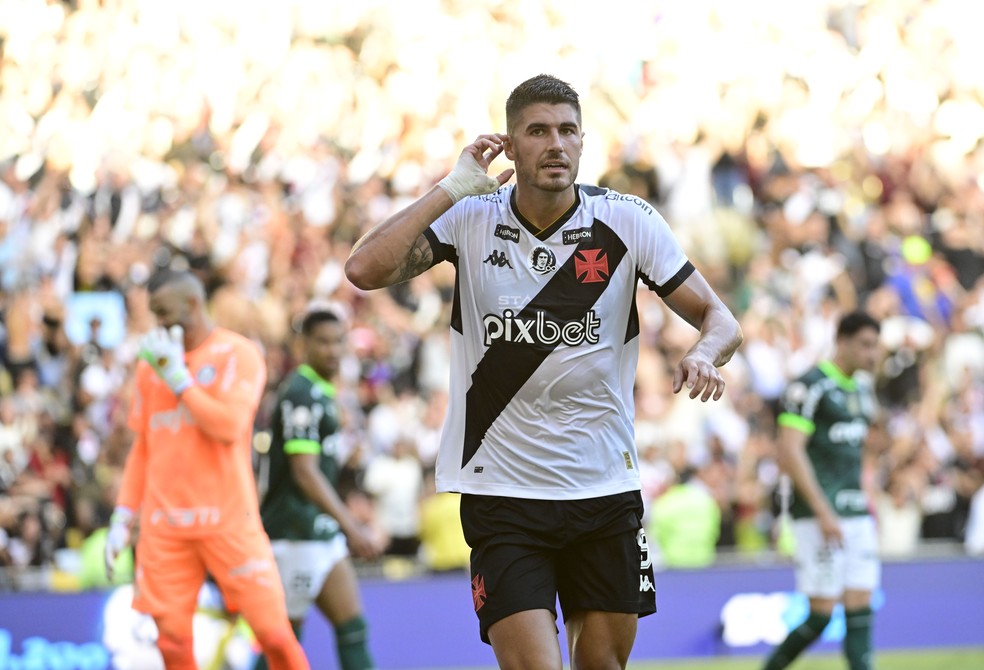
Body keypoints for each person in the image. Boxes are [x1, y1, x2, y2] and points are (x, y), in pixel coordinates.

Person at [344, 74, 742, 670]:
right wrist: (450, 188)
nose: (555, 144)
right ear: (510, 143)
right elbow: (364, 269)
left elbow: (720, 317)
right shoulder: (471, 218)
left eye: (567, 131)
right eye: (537, 131)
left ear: (583, 142)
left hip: (604, 486)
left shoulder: (626, 221)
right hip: (503, 493)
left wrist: (705, 352)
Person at [104, 269, 309, 670]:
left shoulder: (238, 354)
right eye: (154, 314)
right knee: (172, 643)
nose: (159, 324)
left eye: (164, 313)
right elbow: (142, 449)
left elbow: (228, 427)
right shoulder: (151, 367)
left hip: (229, 521)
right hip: (166, 528)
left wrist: (180, 380)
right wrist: (122, 516)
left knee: (274, 635)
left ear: (193, 305)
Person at [255, 305, 383, 670]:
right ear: (304, 346)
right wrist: (351, 526)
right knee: (283, 643)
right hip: (294, 532)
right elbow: (305, 472)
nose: (332, 350)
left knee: (352, 627)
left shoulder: (321, 391)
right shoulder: (301, 393)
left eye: (338, 341)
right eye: (322, 342)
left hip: (317, 531)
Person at [763, 310, 882, 670]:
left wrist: (868, 499)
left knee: (861, 602)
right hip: (819, 514)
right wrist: (824, 512)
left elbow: (857, 455)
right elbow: (790, 450)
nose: (872, 354)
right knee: (822, 614)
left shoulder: (862, 391)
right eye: (865, 345)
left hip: (857, 511)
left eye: (876, 346)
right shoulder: (810, 386)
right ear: (841, 341)